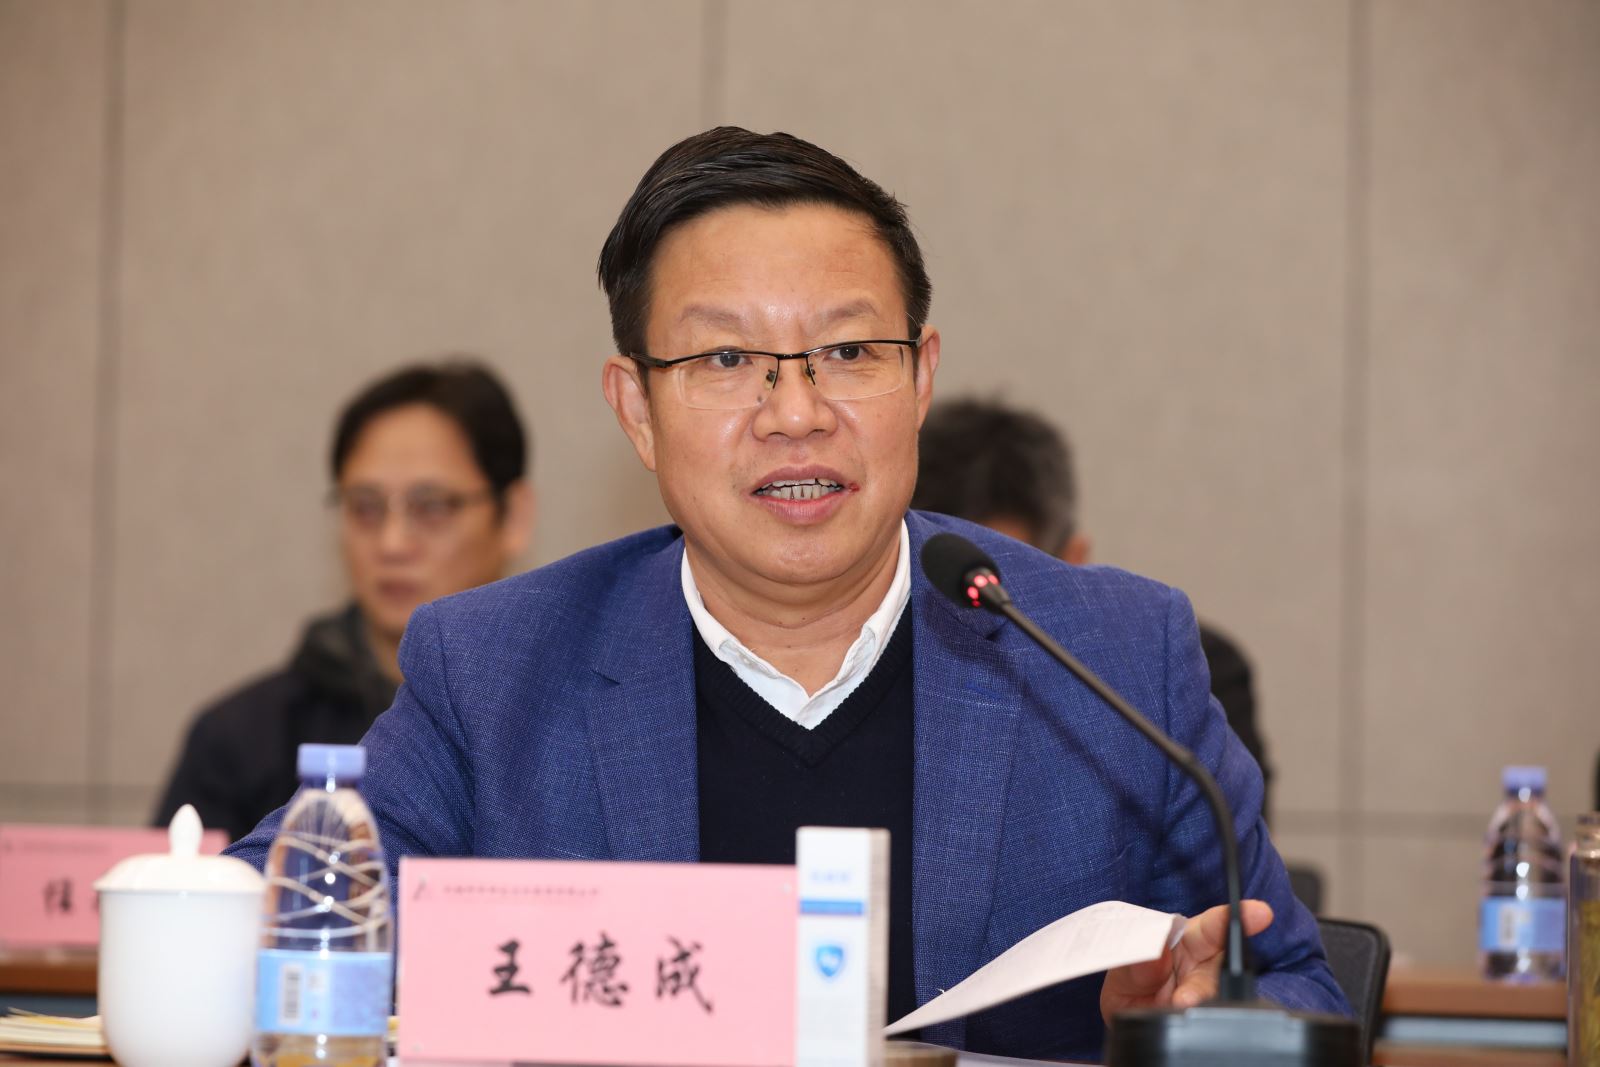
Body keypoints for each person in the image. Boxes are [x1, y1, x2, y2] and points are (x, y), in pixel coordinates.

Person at [228, 128, 1346, 1059]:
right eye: (725, 362)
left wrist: (1195, 1025)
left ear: (921, 377)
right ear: (635, 410)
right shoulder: (495, 669)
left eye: (849, 351)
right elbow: (279, 917)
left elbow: (1296, 987)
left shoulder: (1112, 652)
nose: (797, 412)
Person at [156, 361, 533, 842]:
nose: (393, 543)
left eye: (432, 506)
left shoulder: (566, 722)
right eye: (365, 507)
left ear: (513, 516)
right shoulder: (240, 739)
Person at [912, 397, 1274, 820]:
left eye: (995, 582)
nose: (973, 618)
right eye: (955, 583)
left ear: (1074, 560)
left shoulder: (1174, 675)